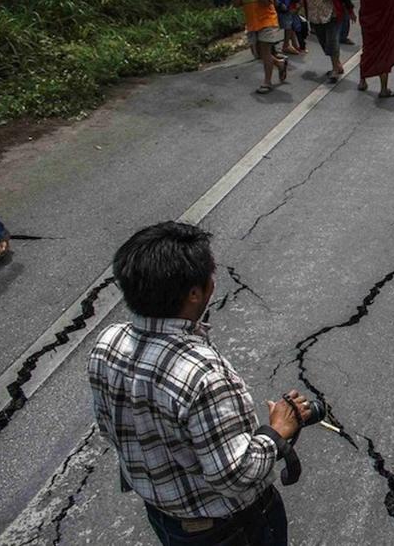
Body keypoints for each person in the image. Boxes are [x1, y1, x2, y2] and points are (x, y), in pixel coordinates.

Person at [89, 221, 315, 546]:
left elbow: (110, 428)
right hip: (229, 529)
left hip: (166, 519)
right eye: (210, 273)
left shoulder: (108, 342)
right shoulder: (202, 375)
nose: (214, 279)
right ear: (194, 293)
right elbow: (235, 476)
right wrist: (277, 430)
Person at [293, 0, 355, 83]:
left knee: (332, 41)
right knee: (324, 42)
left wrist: (350, 10)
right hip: (315, 15)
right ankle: (337, 63)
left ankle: (335, 69)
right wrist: (294, 6)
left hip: (332, 13)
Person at [232, 0, 288, 94]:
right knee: (257, 53)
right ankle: (279, 63)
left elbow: (267, 1)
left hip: (267, 20)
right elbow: (236, 4)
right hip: (252, 23)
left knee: (265, 51)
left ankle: (267, 82)